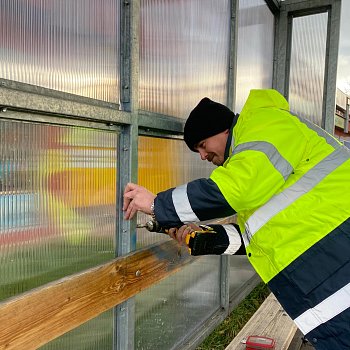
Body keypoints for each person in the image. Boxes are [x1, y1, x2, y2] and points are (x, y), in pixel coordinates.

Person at [123, 89, 350, 350]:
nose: (203, 157)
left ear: (221, 131)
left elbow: (236, 190)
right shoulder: (258, 165)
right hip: (330, 278)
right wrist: (205, 237)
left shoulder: (267, 127)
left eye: (202, 145)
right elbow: (259, 235)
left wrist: (156, 204)